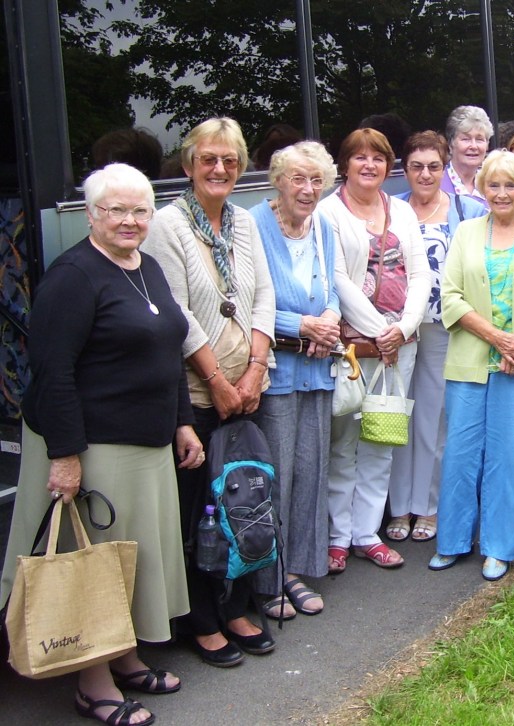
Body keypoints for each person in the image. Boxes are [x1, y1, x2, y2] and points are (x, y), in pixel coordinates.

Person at [1, 164, 200, 726]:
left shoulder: (149, 267)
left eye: (140, 210)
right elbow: (53, 372)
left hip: (147, 444)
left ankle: (127, 655)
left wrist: (182, 420)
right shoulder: (73, 277)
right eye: (116, 210)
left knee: (134, 556)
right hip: (92, 447)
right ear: (91, 215)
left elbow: (168, 353)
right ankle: (93, 682)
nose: (129, 220)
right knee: (98, 561)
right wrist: (65, 456)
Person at [145, 118, 277, 662]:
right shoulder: (167, 225)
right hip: (200, 396)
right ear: (188, 165)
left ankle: (237, 605)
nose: (219, 169)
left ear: (241, 166)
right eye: (208, 160)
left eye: (229, 160)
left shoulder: (244, 222)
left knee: (247, 498)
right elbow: (177, 311)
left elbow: (263, 294)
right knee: (199, 508)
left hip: (249, 386)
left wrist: (252, 369)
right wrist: (218, 382)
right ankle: (200, 619)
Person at [428, 150, 514, 581]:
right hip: (471, 360)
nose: (502, 193)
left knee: (508, 457)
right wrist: (497, 338)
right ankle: (452, 541)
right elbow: (450, 297)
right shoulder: (467, 232)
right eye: (493, 185)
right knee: (460, 452)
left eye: (511, 185)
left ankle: (500, 546)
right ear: (481, 188)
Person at [317, 128, 429, 573]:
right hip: (352, 346)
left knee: (381, 439)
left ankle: (367, 534)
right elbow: (338, 279)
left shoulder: (401, 210)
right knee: (343, 443)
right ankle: (337, 537)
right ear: (344, 164)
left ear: (388, 165)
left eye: (378, 158)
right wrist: (379, 330)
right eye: (359, 157)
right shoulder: (328, 212)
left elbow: (420, 275)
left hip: (399, 343)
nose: (369, 165)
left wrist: (403, 328)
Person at [249, 141, 340, 617]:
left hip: (317, 368)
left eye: (317, 181)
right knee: (275, 476)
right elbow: (247, 301)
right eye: (298, 179)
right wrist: (301, 325)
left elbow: (334, 289)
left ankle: (297, 568)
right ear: (278, 180)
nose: (308, 190)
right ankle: (267, 576)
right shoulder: (252, 224)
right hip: (277, 370)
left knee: (310, 473)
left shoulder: (322, 225)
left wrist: (329, 317)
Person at [386, 131, 487, 543]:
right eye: (415, 166)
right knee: (397, 416)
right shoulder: (392, 211)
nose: (424, 175)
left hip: (446, 328)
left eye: (433, 166)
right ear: (405, 170)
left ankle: (429, 506)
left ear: (443, 168)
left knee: (435, 420)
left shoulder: (466, 209)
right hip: (398, 331)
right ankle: (399, 507)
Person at [440, 105, 494, 206]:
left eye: (479, 139)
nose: (473, 146)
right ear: (451, 144)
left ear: (487, 145)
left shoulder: (494, 183)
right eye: (466, 139)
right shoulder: (437, 183)